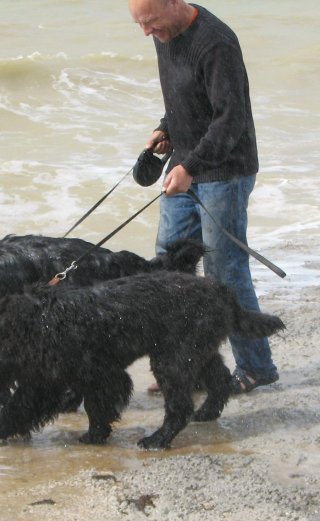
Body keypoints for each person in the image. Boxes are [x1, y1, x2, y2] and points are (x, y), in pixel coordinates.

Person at [127, 0, 278, 393]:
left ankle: (256, 367)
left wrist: (190, 168)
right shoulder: (164, 33)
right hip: (185, 164)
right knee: (169, 268)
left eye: (150, 21)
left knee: (224, 272)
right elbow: (186, 95)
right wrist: (166, 129)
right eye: (139, 24)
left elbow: (230, 119)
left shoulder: (216, 43)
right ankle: (187, 368)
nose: (146, 32)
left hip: (225, 171)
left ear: (173, 3)